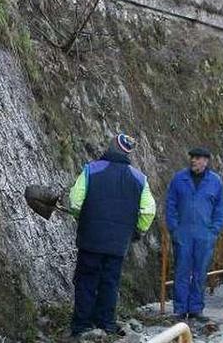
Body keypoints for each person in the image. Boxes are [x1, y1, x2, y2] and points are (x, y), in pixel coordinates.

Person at [67, 133, 156, 337]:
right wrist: (137, 231)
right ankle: (106, 324)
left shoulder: (91, 170)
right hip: (118, 244)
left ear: (109, 148)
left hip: (91, 240)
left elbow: (75, 202)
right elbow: (148, 211)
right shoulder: (139, 179)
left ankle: (82, 326)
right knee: (109, 282)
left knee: (86, 281)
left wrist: (81, 217)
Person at [165, 147, 223, 321]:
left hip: (204, 234)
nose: (193, 160)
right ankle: (179, 309)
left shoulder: (215, 182)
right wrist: (174, 229)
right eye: (192, 157)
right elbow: (170, 205)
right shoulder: (179, 179)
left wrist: (214, 230)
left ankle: (196, 309)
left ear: (206, 161)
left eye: (198, 158)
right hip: (183, 233)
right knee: (181, 271)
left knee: (200, 272)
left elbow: (220, 209)